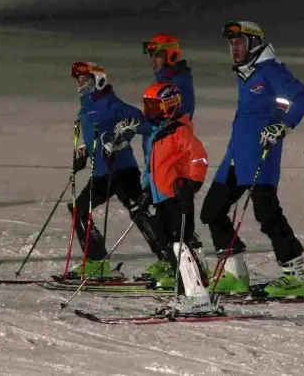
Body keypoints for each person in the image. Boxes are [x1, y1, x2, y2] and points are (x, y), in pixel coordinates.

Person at [199, 21, 304, 299]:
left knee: (267, 214)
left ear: (253, 44)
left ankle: (296, 276)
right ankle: (234, 273)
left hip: (261, 155)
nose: (234, 48)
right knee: (212, 211)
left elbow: (303, 97)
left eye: (239, 43)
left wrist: (283, 126)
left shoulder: (271, 71)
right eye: (231, 44)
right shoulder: (247, 73)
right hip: (235, 158)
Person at [66, 62, 163, 279]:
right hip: (101, 173)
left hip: (122, 170)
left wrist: (122, 137)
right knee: (80, 210)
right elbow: (96, 136)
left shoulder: (112, 104)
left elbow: (145, 124)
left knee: (139, 211)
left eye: (86, 79)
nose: (81, 84)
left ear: (98, 80)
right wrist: (85, 151)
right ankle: (97, 262)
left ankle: (168, 259)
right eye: (79, 80)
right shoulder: (85, 108)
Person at [135, 33, 209, 281]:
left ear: (171, 54)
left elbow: (179, 130)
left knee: (177, 229)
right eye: (150, 56)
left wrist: (192, 180)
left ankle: (188, 274)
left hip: (172, 173)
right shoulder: (165, 81)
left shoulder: (177, 84)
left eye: (157, 55)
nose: (152, 61)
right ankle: (174, 266)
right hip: (158, 168)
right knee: (162, 225)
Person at [138, 81, 212, 311]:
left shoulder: (180, 131)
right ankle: (185, 291)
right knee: (169, 245)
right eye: (147, 105)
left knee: (181, 245)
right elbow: (152, 167)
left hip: (177, 197)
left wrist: (192, 183)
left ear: (168, 106)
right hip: (160, 197)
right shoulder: (158, 132)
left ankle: (198, 296)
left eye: (153, 106)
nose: (148, 110)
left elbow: (199, 157)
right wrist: (146, 190)